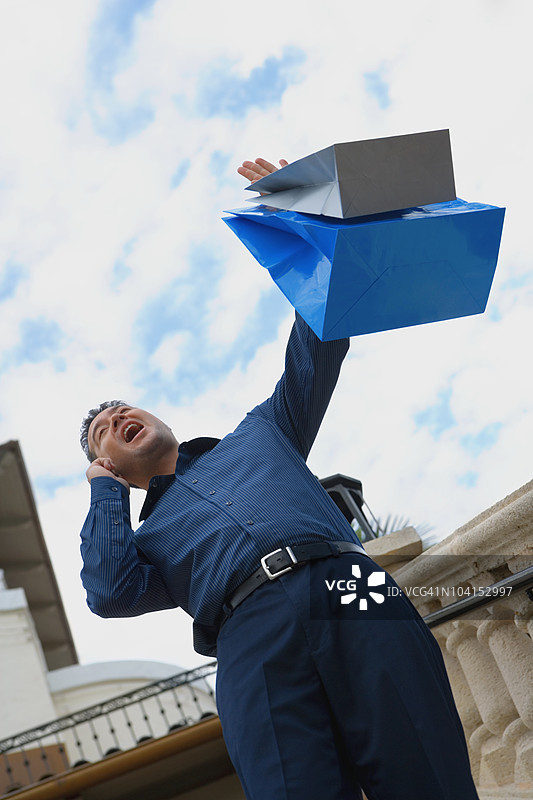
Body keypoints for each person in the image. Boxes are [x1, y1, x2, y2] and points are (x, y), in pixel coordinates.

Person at [79, 158, 480, 800]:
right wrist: (103, 494)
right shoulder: (147, 540)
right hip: (247, 631)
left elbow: (319, 337)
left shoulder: (263, 430)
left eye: (123, 408)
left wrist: (308, 208)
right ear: (112, 469)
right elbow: (108, 590)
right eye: (101, 433)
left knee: (425, 762)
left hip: (351, 583)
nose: (117, 418)